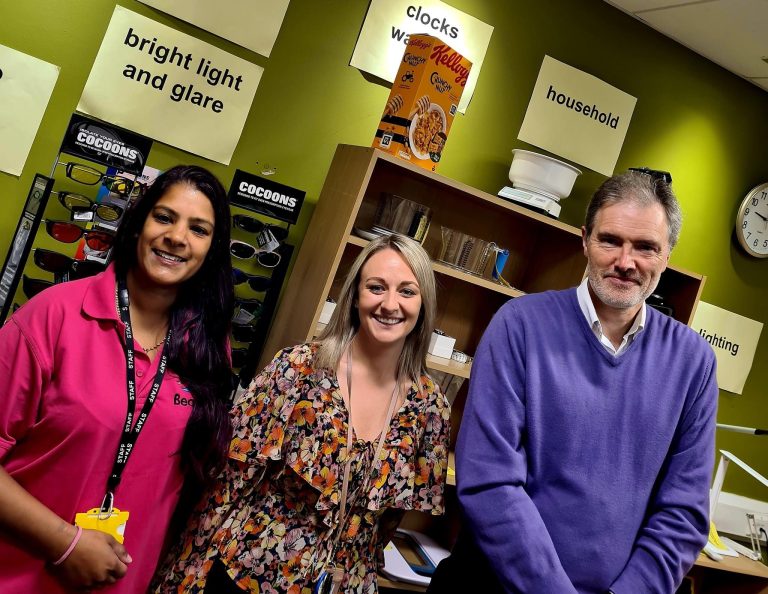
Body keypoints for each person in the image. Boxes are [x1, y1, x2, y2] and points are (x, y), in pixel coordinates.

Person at [427, 169, 718, 594]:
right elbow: (490, 480)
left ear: (667, 254)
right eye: (610, 240)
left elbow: (683, 512)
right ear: (584, 240)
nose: (626, 262)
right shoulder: (519, 325)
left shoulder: (694, 362)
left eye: (645, 247)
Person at [153, 233, 451, 594]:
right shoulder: (298, 369)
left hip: (346, 583)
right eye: (376, 287)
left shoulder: (430, 407)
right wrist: (184, 578)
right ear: (355, 296)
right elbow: (226, 484)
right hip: (254, 575)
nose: (390, 304)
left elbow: (389, 520)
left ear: (424, 303)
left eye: (407, 291)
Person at [0, 165, 235, 593]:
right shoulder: (53, 315)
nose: (177, 237)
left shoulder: (207, 348)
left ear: (211, 250)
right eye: (164, 217)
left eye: (198, 229)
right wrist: (65, 544)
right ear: (138, 224)